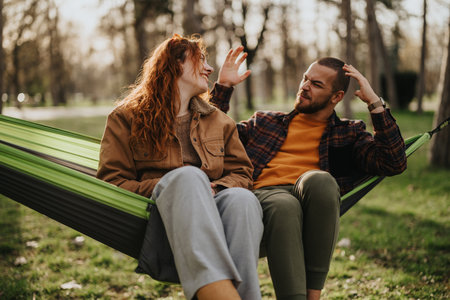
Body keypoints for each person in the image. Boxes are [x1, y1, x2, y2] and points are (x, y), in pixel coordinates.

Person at [211, 50, 407, 300]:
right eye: (305, 78)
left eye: (316, 84)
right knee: (284, 205)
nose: (304, 87)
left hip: (310, 196)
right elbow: (210, 135)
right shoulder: (264, 122)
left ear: (336, 96)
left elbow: (394, 162)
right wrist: (224, 87)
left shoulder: (348, 134)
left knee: (322, 180)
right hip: (264, 195)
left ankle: (313, 295)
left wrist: (375, 104)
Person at [96, 34, 263, 300]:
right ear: (175, 64)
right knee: (187, 178)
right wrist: (178, 185)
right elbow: (112, 182)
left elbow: (242, 173)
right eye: (201, 60)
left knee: (243, 200)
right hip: (156, 219)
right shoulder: (125, 118)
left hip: (215, 216)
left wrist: (214, 187)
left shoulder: (219, 120)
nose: (209, 69)